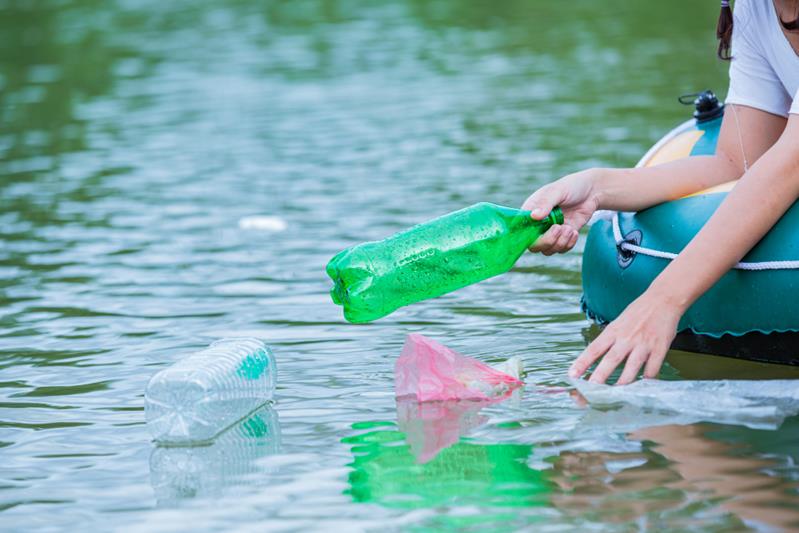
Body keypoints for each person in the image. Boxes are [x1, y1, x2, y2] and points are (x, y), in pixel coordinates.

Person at [523, 0, 799, 385]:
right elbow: (737, 164)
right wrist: (595, 188)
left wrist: (663, 300)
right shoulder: (756, 8)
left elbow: (791, 162)